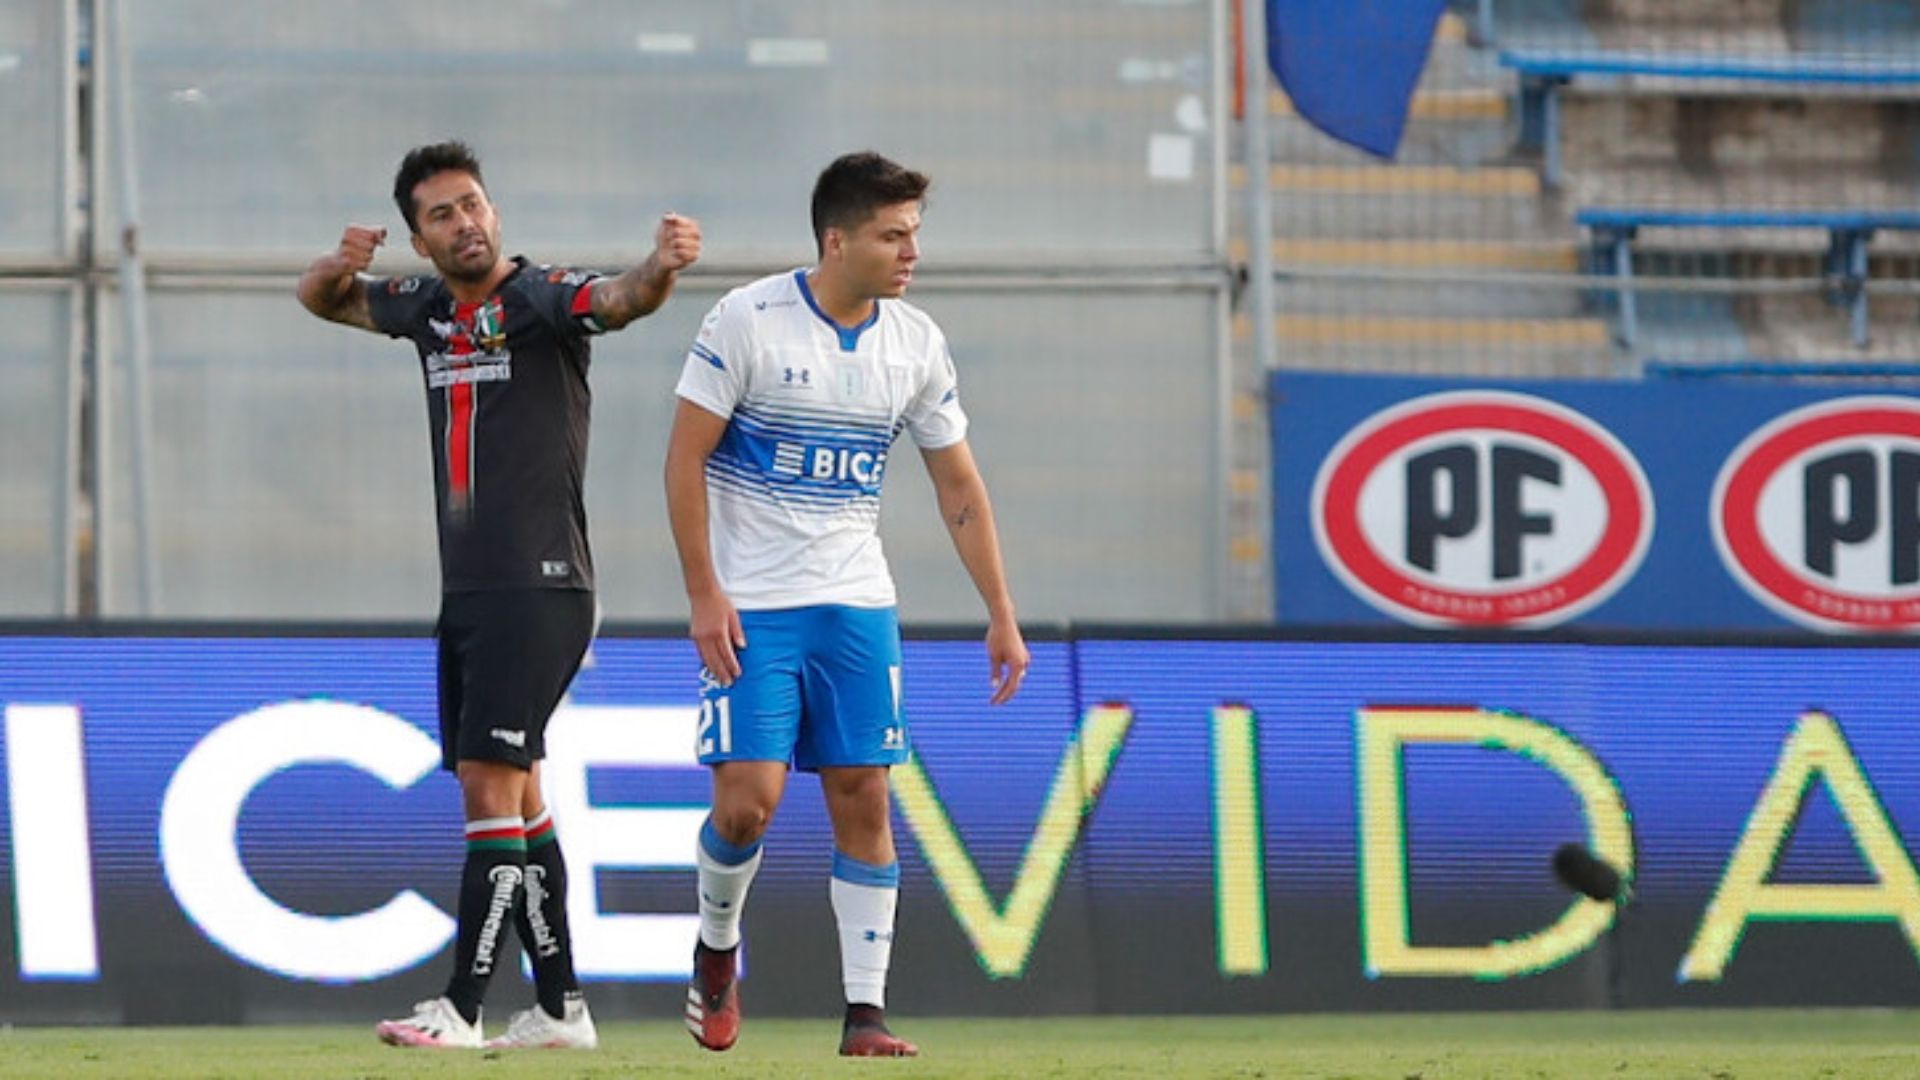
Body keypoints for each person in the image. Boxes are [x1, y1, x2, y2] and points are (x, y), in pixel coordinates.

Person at [296, 140, 701, 1050]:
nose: (464, 223)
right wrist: (337, 264)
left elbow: (622, 300)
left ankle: (462, 1007)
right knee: (518, 795)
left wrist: (662, 266)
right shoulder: (425, 309)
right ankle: (561, 1008)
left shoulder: (544, 298)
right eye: (441, 215)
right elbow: (323, 299)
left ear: (494, 211)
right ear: (420, 239)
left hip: (539, 583)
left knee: (488, 781)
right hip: (475, 590)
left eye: (473, 204)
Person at [665, 151, 1029, 1058]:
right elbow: (683, 459)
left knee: (865, 796)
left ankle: (865, 1014)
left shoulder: (917, 343)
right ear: (838, 240)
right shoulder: (747, 321)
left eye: (915, 233)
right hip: (754, 606)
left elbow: (959, 487)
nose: (912, 252)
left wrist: (1000, 609)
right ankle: (717, 948)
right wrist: (704, 592)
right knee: (747, 806)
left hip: (858, 606)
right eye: (893, 235)